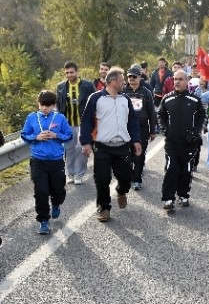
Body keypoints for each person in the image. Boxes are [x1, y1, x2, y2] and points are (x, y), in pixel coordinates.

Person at [80, 67, 142, 222]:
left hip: (122, 146)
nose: (124, 83)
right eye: (122, 80)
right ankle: (104, 208)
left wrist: (136, 140)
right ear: (113, 81)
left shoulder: (125, 99)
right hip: (102, 146)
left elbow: (132, 122)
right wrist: (85, 143)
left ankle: (121, 191)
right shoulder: (95, 98)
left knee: (127, 178)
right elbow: (86, 122)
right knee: (102, 179)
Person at [21, 90, 73, 234]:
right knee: (41, 191)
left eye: (48, 105)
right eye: (42, 105)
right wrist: (36, 137)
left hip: (56, 161)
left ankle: (56, 203)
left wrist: (56, 135)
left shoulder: (60, 118)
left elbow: (68, 135)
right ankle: (43, 220)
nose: (44, 108)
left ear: (53, 105)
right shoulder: (31, 117)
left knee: (58, 189)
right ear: (38, 103)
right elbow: (24, 134)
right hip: (38, 160)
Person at [158, 70, 206, 209]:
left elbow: (202, 117)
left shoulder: (195, 100)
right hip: (172, 143)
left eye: (180, 79)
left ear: (186, 81)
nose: (177, 82)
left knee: (186, 170)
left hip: (188, 143)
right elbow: (160, 116)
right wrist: (165, 129)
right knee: (171, 168)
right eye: (175, 79)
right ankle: (168, 199)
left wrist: (196, 131)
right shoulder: (167, 98)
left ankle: (183, 195)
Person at [56, 61, 96, 185]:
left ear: (77, 72)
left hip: (84, 124)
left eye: (71, 72)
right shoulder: (61, 87)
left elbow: (94, 103)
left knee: (81, 148)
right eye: (67, 73)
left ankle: (79, 174)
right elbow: (58, 105)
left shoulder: (87, 86)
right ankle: (71, 174)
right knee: (69, 149)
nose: (69, 75)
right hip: (68, 124)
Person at [123, 66, 157, 190]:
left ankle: (137, 179)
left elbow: (151, 113)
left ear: (139, 77)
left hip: (141, 127)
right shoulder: (123, 92)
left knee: (139, 154)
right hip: (125, 127)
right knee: (127, 154)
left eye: (134, 76)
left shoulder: (146, 92)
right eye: (129, 76)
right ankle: (129, 175)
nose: (131, 79)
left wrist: (152, 130)